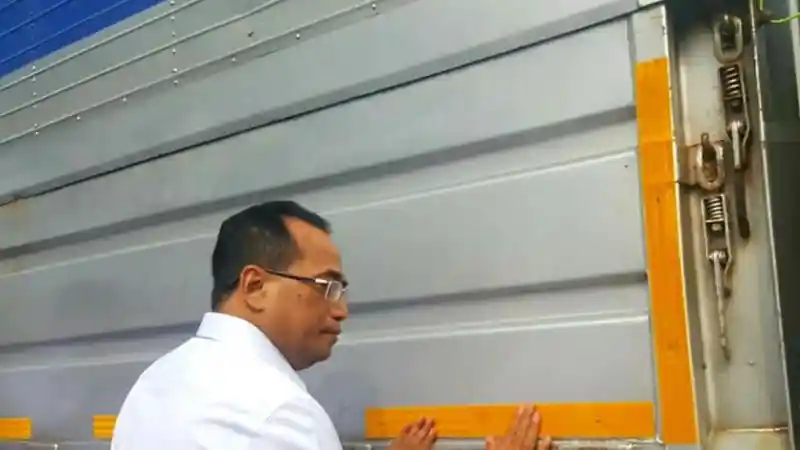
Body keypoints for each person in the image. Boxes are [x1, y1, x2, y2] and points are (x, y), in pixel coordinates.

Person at [111, 201, 552, 450]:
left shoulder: (154, 384)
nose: (341, 311)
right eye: (327, 287)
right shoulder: (278, 413)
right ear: (255, 286)